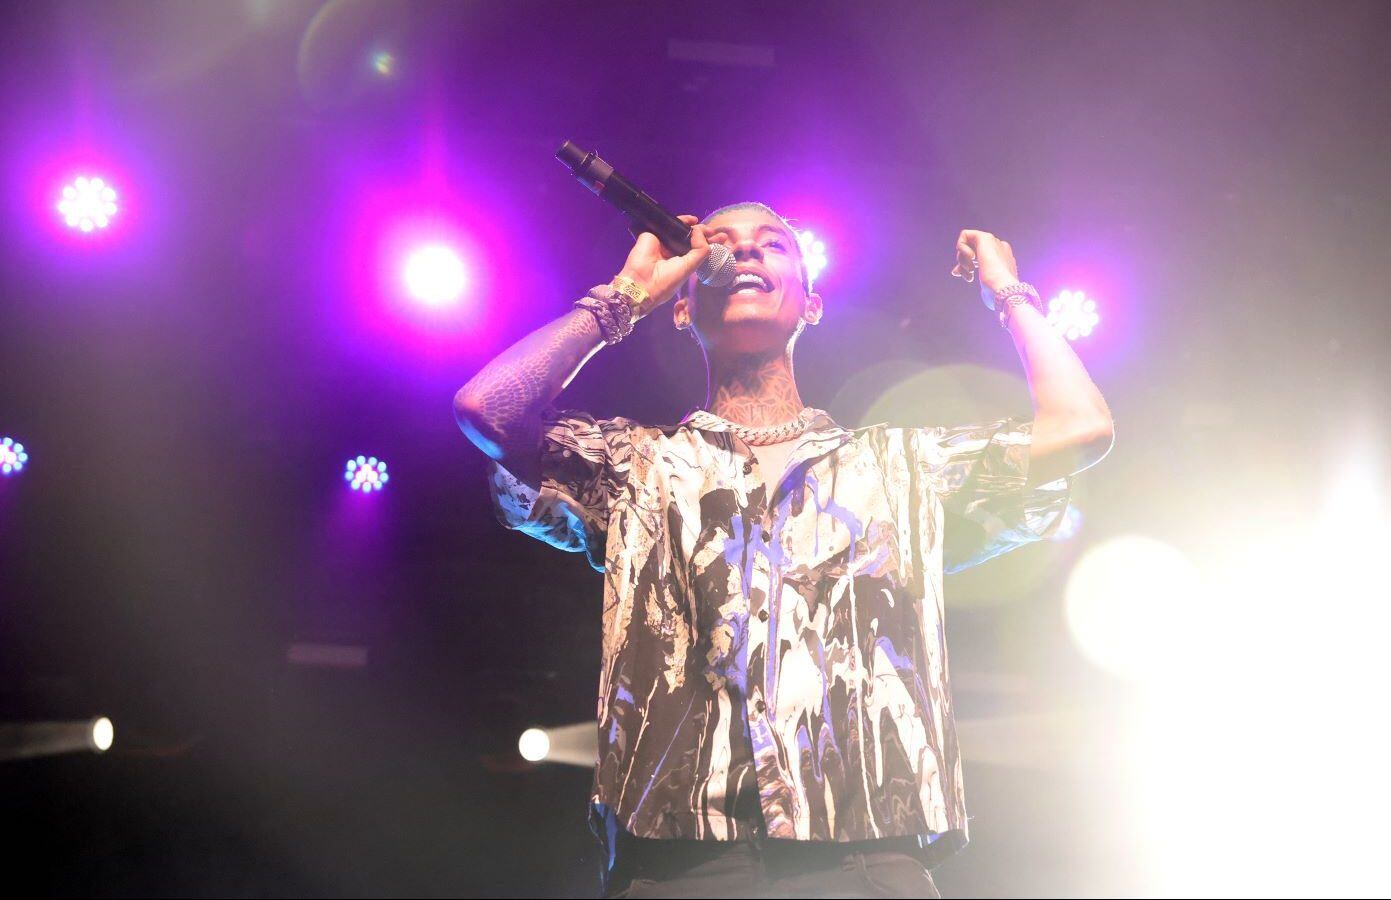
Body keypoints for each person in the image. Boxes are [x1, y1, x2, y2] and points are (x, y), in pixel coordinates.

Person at [452, 201, 1114, 898]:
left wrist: (1007, 292)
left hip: (865, 860)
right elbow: (486, 408)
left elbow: (1081, 427)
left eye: (771, 244)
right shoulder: (636, 464)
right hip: (674, 864)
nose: (744, 254)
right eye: (722, 245)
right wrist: (624, 299)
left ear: (812, 304)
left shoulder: (899, 465)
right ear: (682, 308)